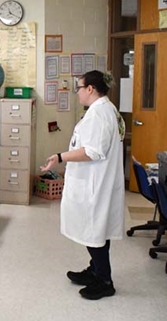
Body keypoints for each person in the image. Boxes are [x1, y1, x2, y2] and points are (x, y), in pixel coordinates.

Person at [40, 70, 125, 301]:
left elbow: (92, 151)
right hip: (99, 181)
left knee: (93, 231)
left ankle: (104, 281)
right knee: (96, 230)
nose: (76, 92)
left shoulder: (99, 114)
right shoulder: (108, 109)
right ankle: (95, 270)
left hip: (94, 184)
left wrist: (60, 157)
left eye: (79, 87)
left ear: (90, 89)